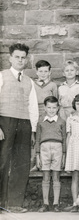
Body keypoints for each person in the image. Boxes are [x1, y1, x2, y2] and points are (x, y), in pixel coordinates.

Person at [0, 43, 39, 213]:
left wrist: (32, 130)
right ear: (10, 58)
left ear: (26, 59)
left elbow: (33, 108)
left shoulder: (29, 81)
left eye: (23, 57)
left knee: (21, 163)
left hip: (24, 124)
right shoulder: (1, 76)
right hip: (5, 122)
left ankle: (14, 203)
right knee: (2, 162)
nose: (20, 60)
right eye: (17, 57)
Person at [35, 96, 66, 213]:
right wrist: (37, 155)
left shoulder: (62, 121)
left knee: (56, 176)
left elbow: (64, 139)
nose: (51, 110)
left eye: (54, 107)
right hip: (44, 149)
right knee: (46, 176)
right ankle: (45, 203)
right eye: (49, 107)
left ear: (58, 108)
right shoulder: (40, 122)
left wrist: (64, 155)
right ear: (45, 108)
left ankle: (56, 203)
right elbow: (37, 139)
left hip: (58, 149)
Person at [31, 60, 57, 172]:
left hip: (49, 114)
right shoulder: (32, 84)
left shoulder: (53, 85)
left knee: (46, 138)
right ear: (36, 72)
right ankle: (35, 162)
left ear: (49, 72)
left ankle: (47, 162)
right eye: (40, 71)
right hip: (36, 113)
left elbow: (56, 102)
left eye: (45, 71)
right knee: (35, 138)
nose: (43, 73)